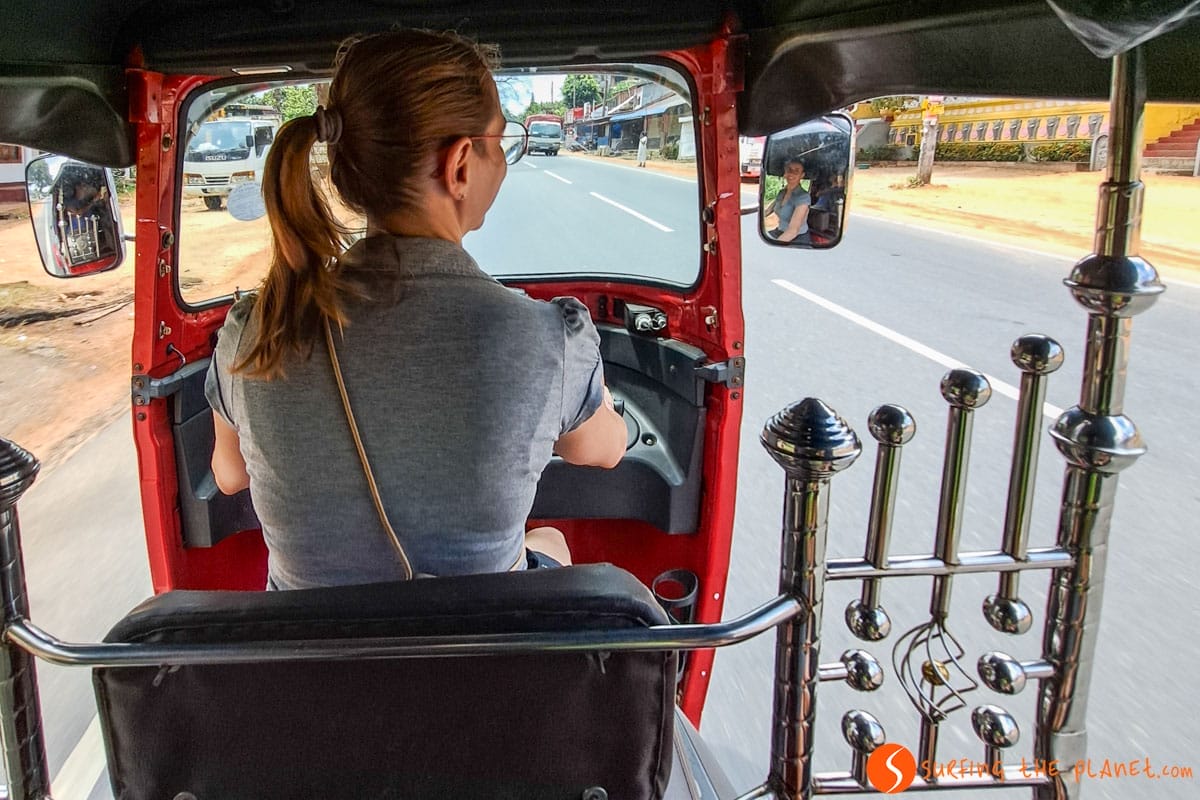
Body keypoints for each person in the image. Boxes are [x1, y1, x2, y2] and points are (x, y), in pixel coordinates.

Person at [205, 29, 627, 590]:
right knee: (548, 541)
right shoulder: (544, 338)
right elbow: (605, 450)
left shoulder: (255, 329)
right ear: (459, 165)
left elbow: (230, 475)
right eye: (500, 141)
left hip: (306, 668)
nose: (503, 159)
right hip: (480, 669)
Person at [764, 157, 812, 244]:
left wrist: (775, 247)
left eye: (796, 171)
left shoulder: (803, 197)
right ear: (785, 173)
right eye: (789, 170)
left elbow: (793, 231)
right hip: (779, 231)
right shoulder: (782, 192)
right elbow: (767, 211)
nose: (791, 173)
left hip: (797, 238)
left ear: (802, 175)